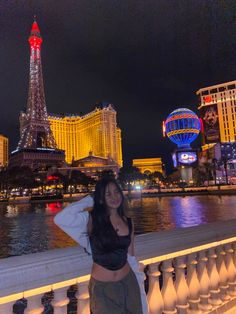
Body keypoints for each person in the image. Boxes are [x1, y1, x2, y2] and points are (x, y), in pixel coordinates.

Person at [54, 177, 147, 314]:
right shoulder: (91, 219)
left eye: (116, 192)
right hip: (103, 289)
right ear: (101, 198)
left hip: (129, 282)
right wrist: (90, 199)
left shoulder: (128, 222)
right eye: (108, 194)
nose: (114, 197)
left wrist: (140, 286)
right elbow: (60, 219)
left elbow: (131, 256)